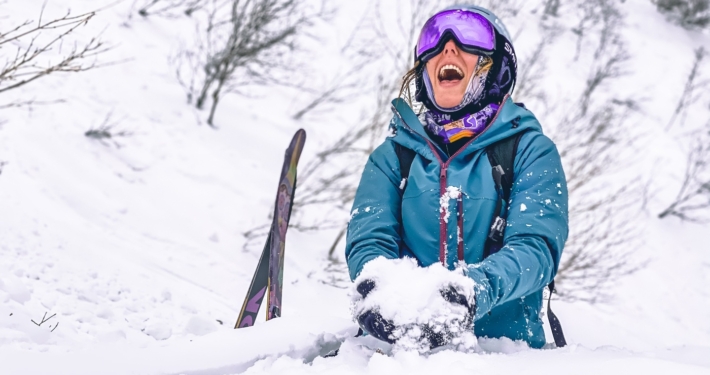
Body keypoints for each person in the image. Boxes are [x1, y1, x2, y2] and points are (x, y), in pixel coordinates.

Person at [345, 5, 569, 349]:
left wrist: (471, 292)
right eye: (433, 38)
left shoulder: (529, 150)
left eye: (471, 38)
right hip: (395, 358)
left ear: (496, 67)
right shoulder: (392, 157)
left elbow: (536, 249)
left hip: (504, 357)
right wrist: (378, 286)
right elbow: (370, 240)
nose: (447, 47)